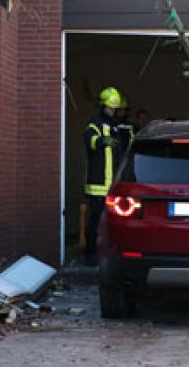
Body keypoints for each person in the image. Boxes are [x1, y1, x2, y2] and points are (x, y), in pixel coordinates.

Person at [83, 87, 122, 266]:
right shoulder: (94, 124)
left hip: (113, 184)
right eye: (109, 108)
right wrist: (101, 141)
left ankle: (109, 254)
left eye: (114, 109)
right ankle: (90, 254)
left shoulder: (116, 125)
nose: (112, 111)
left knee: (113, 222)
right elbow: (90, 141)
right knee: (95, 221)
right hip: (98, 185)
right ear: (102, 106)